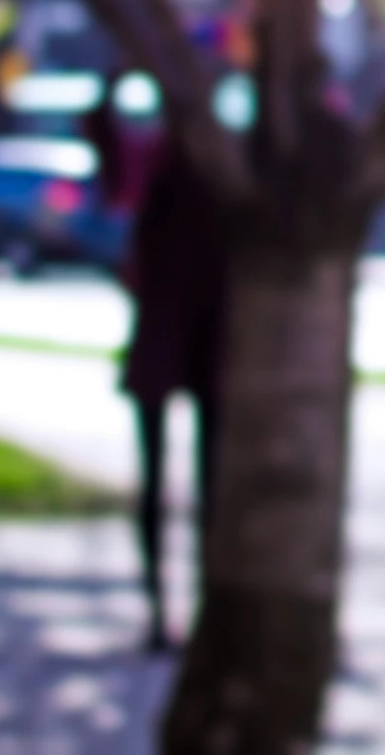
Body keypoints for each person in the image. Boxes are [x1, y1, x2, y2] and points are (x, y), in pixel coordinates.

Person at [117, 136, 228, 653]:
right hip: (181, 342)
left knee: (206, 487)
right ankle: (162, 607)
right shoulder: (167, 160)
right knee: (173, 485)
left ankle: (193, 608)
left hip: (199, 344)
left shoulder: (216, 166)